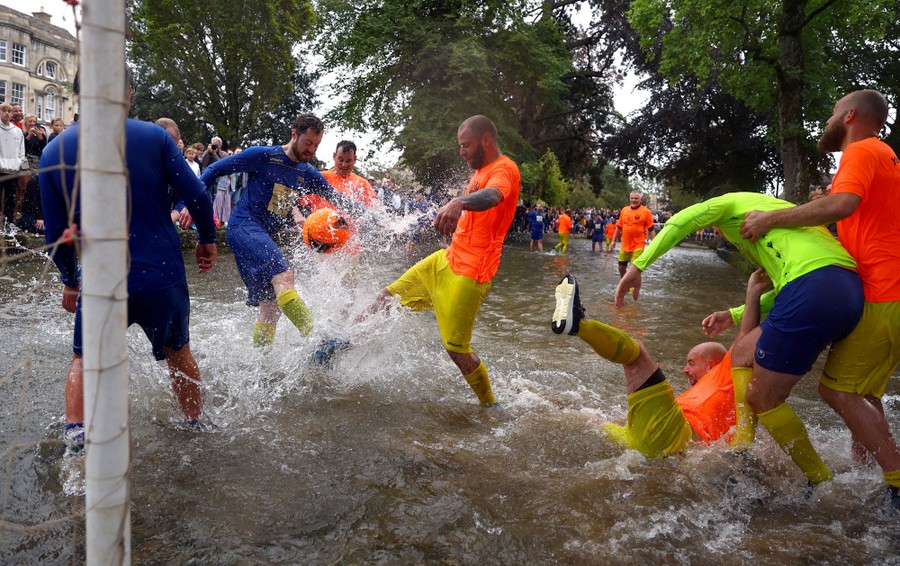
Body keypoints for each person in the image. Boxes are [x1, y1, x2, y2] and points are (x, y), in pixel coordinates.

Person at [614, 192, 863, 486]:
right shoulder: (785, 219)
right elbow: (789, 291)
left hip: (813, 283)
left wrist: (638, 266)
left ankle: (803, 473)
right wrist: (733, 314)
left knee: (759, 389)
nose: (728, 238)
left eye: (725, 232)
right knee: (841, 392)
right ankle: (880, 477)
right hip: (851, 290)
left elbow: (680, 221)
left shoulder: (728, 205)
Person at [39, 72, 219, 453]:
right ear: (128, 95)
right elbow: (198, 195)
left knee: (83, 360)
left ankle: (76, 443)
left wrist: (70, 280)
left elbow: (57, 234)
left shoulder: (53, 151)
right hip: (161, 274)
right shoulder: (153, 137)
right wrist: (206, 239)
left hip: (101, 281)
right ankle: (194, 428)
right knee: (179, 352)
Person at [740, 89, 900, 504]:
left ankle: (896, 482)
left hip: (883, 291)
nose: (827, 122)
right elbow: (857, 215)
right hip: (889, 292)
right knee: (864, 394)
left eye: (831, 112)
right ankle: (868, 477)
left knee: (835, 392)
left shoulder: (862, 150)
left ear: (849, 115)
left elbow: (844, 204)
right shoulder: (885, 155)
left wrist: (770, 218)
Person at [352, 115, 520, 406]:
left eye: (465, 146)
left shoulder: (505, 169)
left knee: (456, 350)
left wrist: (459, 202)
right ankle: (341, 343)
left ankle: (490, 405)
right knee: (386, 297)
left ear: (485, 140)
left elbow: (493, 196)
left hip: (471, 274)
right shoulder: (481, 169)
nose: (461, 152)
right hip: (446, 259)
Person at [552, 271, 774, 457]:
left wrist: (753, 291)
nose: (685, 369)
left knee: (636, 355)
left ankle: (578, 324)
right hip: (645, 440)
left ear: (712, 365)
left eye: (691, 363)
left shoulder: (729, 372)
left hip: (676, 435)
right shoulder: (698, 397)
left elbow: (746, 335)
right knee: (593, 420)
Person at [199, 113, 366, 348]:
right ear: (294, 134)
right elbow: (215, 169)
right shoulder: (264, 156)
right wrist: (190, 202)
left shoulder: (307, 173)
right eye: (308, 143)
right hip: (243, 226)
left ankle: (261, 365)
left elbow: (336, 198)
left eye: (316, 146)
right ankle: (318, 338)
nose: (311, 150)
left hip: (262, 236)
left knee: (271, 308)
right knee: (285, 275)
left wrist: (375, 216)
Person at [299, 140, 378, 214]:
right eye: (340, 160)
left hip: (349, 228)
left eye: (348, 161)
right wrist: (298, 216)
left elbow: (376, 209)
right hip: (320, 227)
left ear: (355, 159)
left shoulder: (362, 183)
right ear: (334, 156)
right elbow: (296, 200)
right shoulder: (320, 177)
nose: (344, 165)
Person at [611, 191, 656, 278]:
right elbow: (619, 227)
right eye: (632, 198)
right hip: (625, 244)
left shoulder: (646, 212)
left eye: (636, 198)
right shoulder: (624, 210)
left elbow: (651, 229)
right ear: (629, 199)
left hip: (638, 244)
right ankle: (625, 284)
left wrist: (654, 244)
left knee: (634, 268)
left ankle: (633, 289)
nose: (633, 200)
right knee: (621, 267)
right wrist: (613, 240)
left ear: (640, 199)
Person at [0, 102, 26, 228]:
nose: (6, 113)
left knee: (11, 199)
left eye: (9, 111)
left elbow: (22, 150)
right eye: (3, 110)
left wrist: (19, 163)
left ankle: (8, 223)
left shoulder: (17, 131)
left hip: (13, 170)